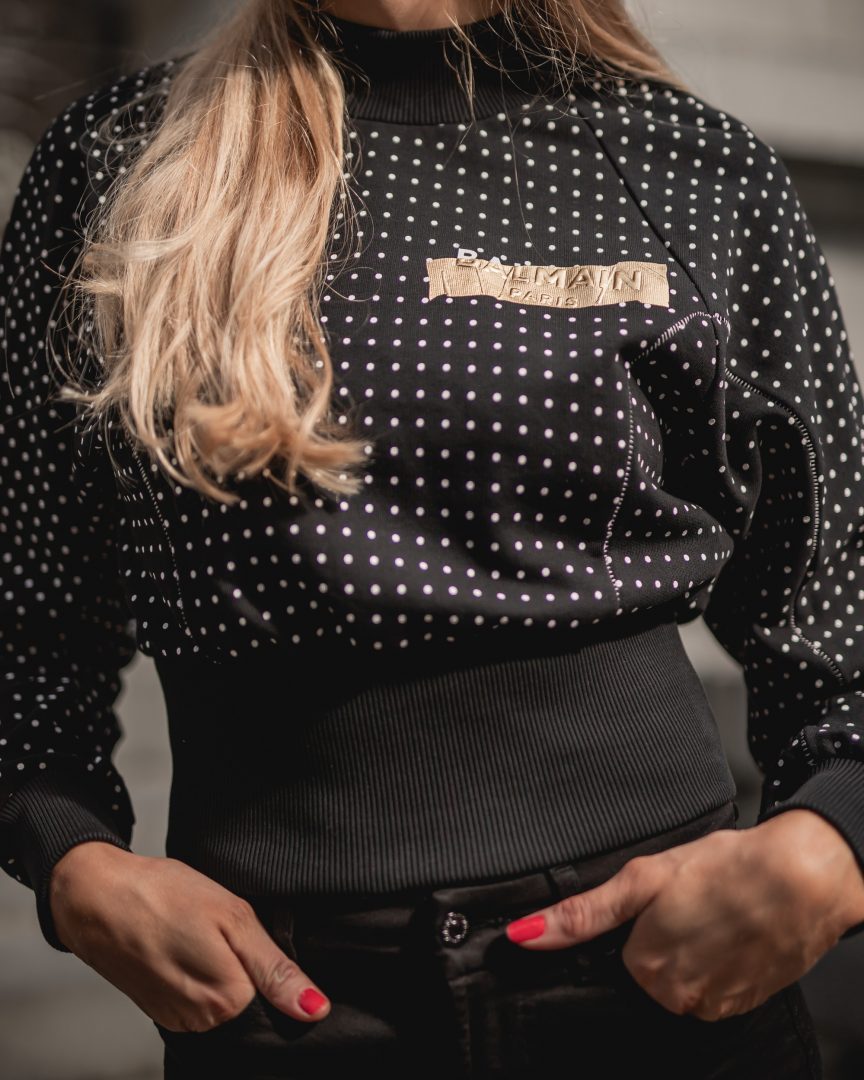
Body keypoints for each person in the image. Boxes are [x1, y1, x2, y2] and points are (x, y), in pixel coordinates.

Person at [1, 0, 863, 1076]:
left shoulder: (691, 165)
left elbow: (840, 603)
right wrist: (70, 859)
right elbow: (24, 614)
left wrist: (833, 841)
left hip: (657, 982)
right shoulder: (121, 157)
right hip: (282, 1002)